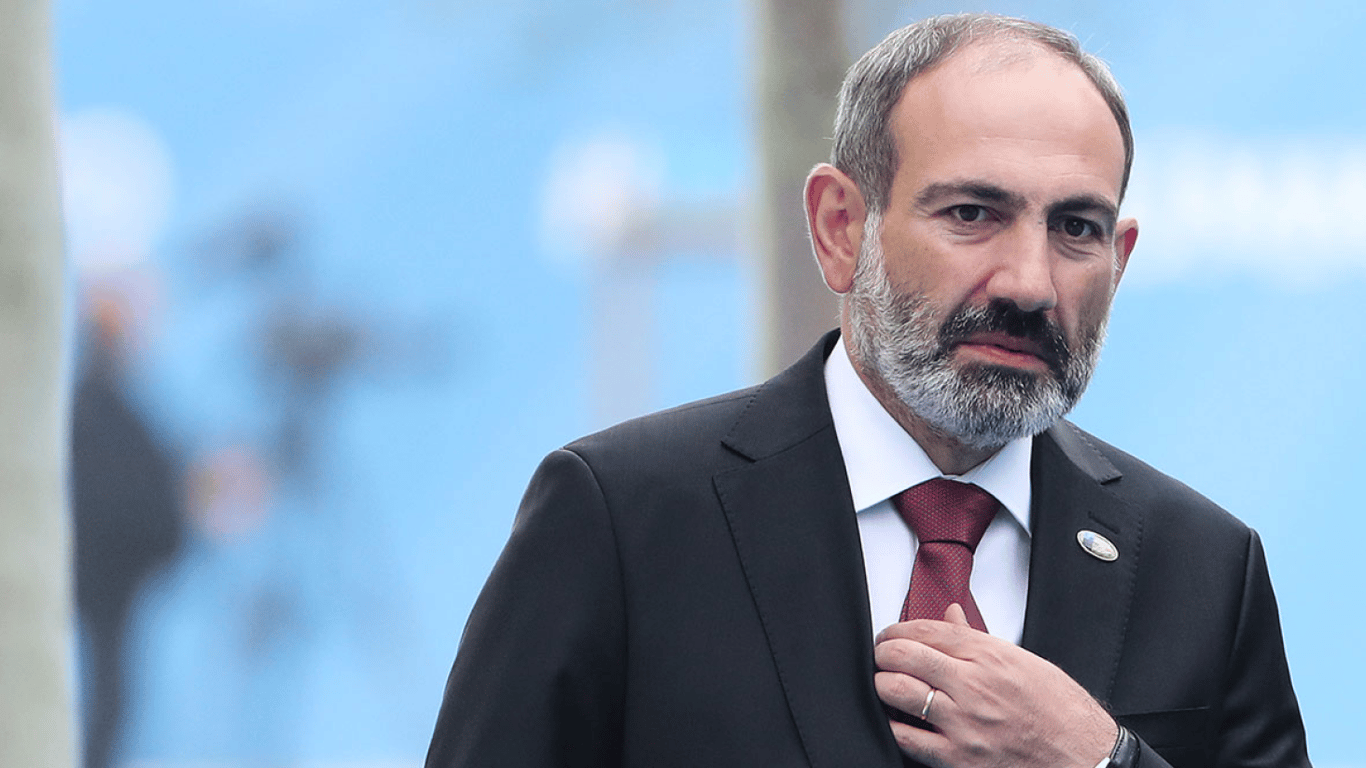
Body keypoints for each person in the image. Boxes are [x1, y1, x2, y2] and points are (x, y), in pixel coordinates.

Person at [425, 13, 1311, 768]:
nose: (1030, 283)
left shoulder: (1202, 568)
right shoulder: (623, 519)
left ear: (1120, 261)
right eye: (972, 214)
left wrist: (1100, 759)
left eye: (1075, 228)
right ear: (840, 228)